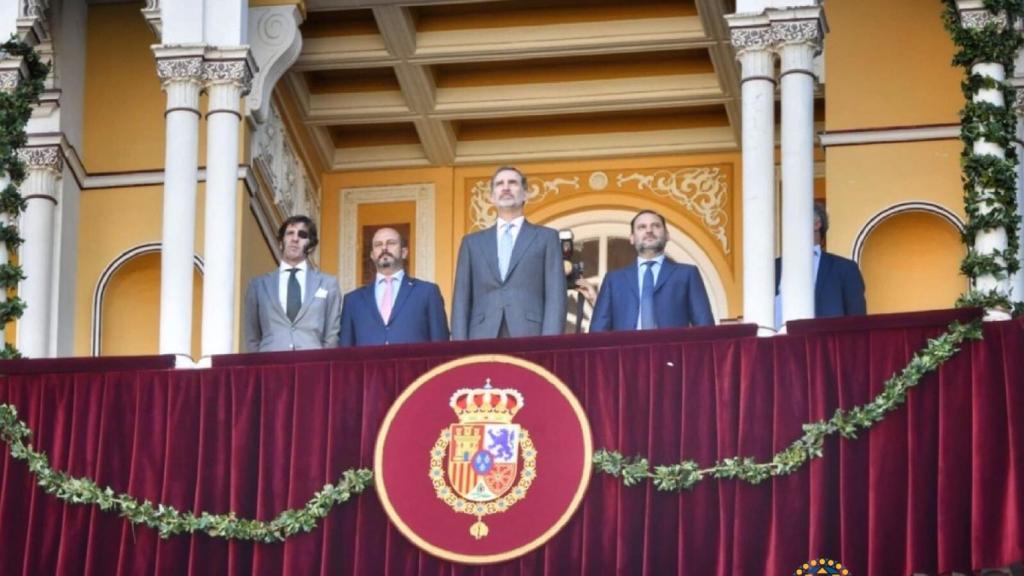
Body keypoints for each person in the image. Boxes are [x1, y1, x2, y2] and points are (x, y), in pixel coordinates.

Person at [451, 166, 567, 340]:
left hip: (531, 335)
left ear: (526, 194)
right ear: (492, 197)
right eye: (499, 184)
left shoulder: (547, 237)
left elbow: (555, 296)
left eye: (512, 183)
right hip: (481, 336)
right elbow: (461, 300)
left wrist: (549, 344)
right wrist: (459, 347)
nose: (505, 187)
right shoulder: (471, 243)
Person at [589, 210, 714, 331]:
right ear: (632, 238)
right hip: (626, 351)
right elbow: (598, 332)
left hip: (671, 351)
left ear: (667, 235)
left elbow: (705, 328)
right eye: (642, 227)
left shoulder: (687, 274)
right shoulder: (613, 280)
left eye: (656, 226)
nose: (649, 230)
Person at [244, 215, 342, 352]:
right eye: (290, 233)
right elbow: (252, 337)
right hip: (269, 366)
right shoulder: (258, 285)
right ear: (281, 242)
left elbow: (331, 335)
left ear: (311, 246)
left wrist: (322, 364)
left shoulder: (328, 284)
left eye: (302, 235)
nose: (295, 239)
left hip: (313, 365)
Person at [339, 227, 449, 346]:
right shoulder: (353, 300)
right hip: (369, 365)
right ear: (372, 255)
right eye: (378, 245)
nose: (384, 248)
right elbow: (345, 351)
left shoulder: (427, 292)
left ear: (404, 252)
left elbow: (441, 344)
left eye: (391, 243)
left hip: (414, 365)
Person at [775, 202, 866, 327]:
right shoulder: (773, 268)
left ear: (817, 224)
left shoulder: (846, 269)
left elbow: (858, 324)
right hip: (779, 344)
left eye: (796, 218)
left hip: (825, 345)